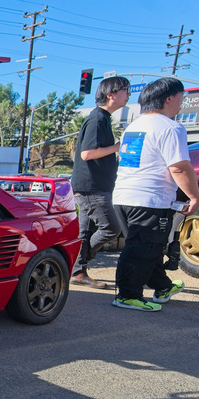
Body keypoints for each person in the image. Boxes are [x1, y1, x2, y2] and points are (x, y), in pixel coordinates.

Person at [112, 77, 199, 311]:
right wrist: (194, 196)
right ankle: (127, 295)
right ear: (169, 98)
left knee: (146, 246)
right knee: (142, 248)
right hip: (149, 199)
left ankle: (163, 286)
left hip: (123, 196)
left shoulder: (134, 126)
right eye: (181, 97)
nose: (182, 103)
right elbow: (179, 167)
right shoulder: (170, 127)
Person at [69, 76, 131, 289]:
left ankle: (77, 271)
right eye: (126, 90)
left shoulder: (102, 118)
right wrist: (117, 147)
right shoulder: (98, 119)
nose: (129, 94)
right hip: (92, 186)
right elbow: (87, 154)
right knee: (111, 228)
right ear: (111, 94)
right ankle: (78, 263)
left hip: (90, 186)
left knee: (84, 233)